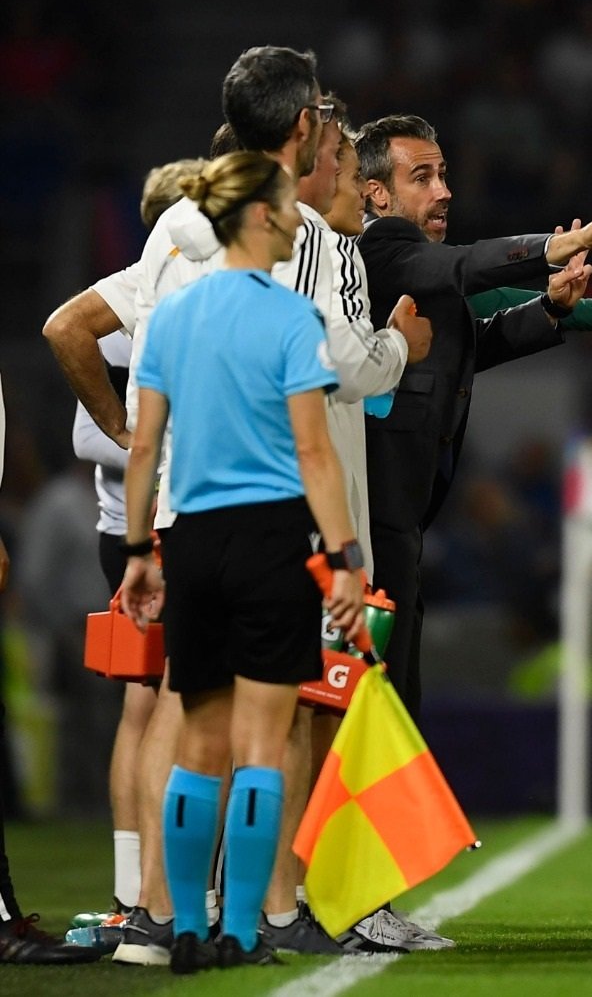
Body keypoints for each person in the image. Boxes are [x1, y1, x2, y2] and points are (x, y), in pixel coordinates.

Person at [356, 113, 592, 725]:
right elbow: (470, 271)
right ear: (377, 193)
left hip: (397, 515)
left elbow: (476, 335)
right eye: (423, 177)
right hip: (363, 517)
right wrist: (563, 244)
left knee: (388, 694)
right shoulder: (378, 252)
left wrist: (559, 309)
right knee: (367, 697)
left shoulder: (413, 270)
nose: (444, 191)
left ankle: (375, 821)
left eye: (443, 174)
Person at [117, 151, 366, 973]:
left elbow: (145, 442)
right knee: (261, 746)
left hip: (189, 540)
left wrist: (139, 550)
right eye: (288, 206)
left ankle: (185, 924)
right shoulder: (289, 318)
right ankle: (245, 932)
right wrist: (345, 561)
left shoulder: (177, 312)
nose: (300, 216)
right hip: (267, 540)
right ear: (259, 215)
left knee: (198, 743)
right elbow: (313, 453)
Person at [0, 374, 104, 965]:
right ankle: (75, 800)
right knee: (80, 722)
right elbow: (34, 574)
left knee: (102, 721)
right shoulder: (63, 502)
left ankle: (90, 801)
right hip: (67, 628)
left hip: (104, 622)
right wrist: (49, 627)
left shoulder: (94, 497)